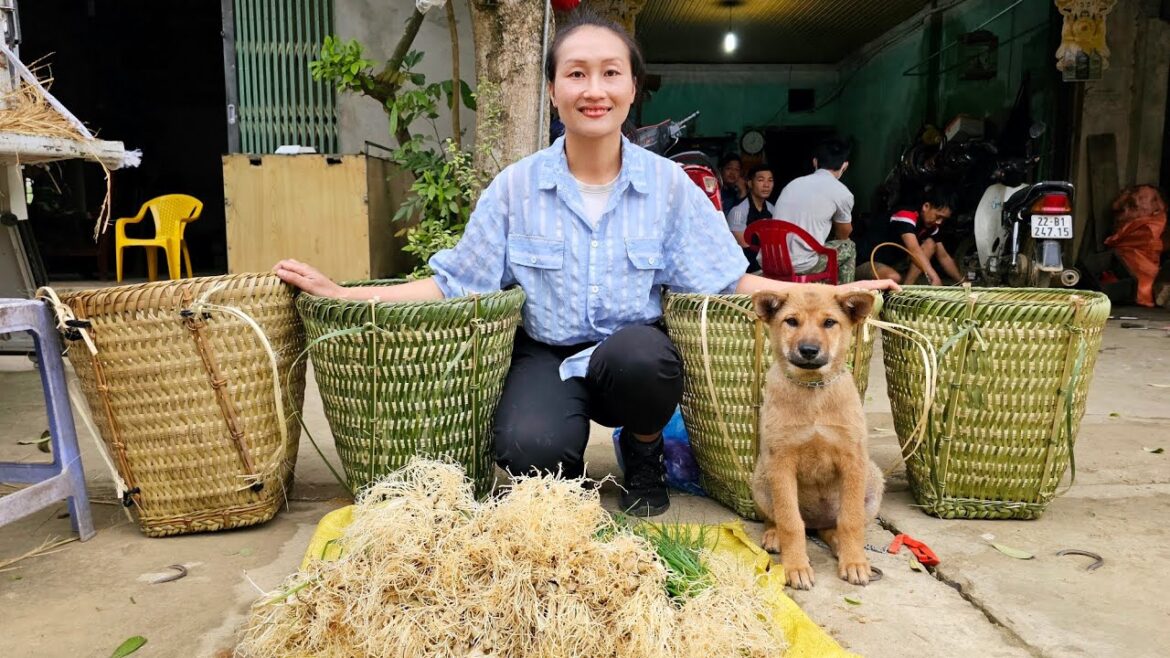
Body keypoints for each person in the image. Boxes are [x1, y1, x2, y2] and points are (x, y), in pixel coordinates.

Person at [275, 9, 899, 517]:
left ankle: (645, 452)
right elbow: (455, 283)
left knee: (646, 358)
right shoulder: (516, 188)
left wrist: (829, 294)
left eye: (610, 74)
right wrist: (346, 294)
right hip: (547, 353)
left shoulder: (669, 187)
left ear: (632, 89)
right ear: (553, 90)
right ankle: (562, 467)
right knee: (529, 450)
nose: (593, 90)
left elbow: (727, 277)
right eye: (576, 74)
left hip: (632, 356)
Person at [774, 137, 857, 283]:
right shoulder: (842, 192)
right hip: (801, 265)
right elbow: (843, 234)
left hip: (772, 260)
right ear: (845, 165)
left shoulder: (792, 184)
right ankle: (844, 294)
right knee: (849, 246)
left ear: (815, 162)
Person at [856, 186, 962, 286]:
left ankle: (907, 287)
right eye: (938, 216)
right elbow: (914, 250)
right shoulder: (906, 215)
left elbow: (944, 257)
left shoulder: (932, 226)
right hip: (867, 262)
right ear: (926, 206)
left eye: (943, 219)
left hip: (892, 264)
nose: (939, 222)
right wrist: (934, 277)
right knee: (893, 277)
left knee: (930, 244)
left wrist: (962, 282)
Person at [725, 163, 776, 273]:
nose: (766, 185)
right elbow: (745, 248)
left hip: (767, 262)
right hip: (746, 268)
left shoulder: (772, 209)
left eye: (770, 180)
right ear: (750, 183)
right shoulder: (738, 211)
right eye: (761, 180)